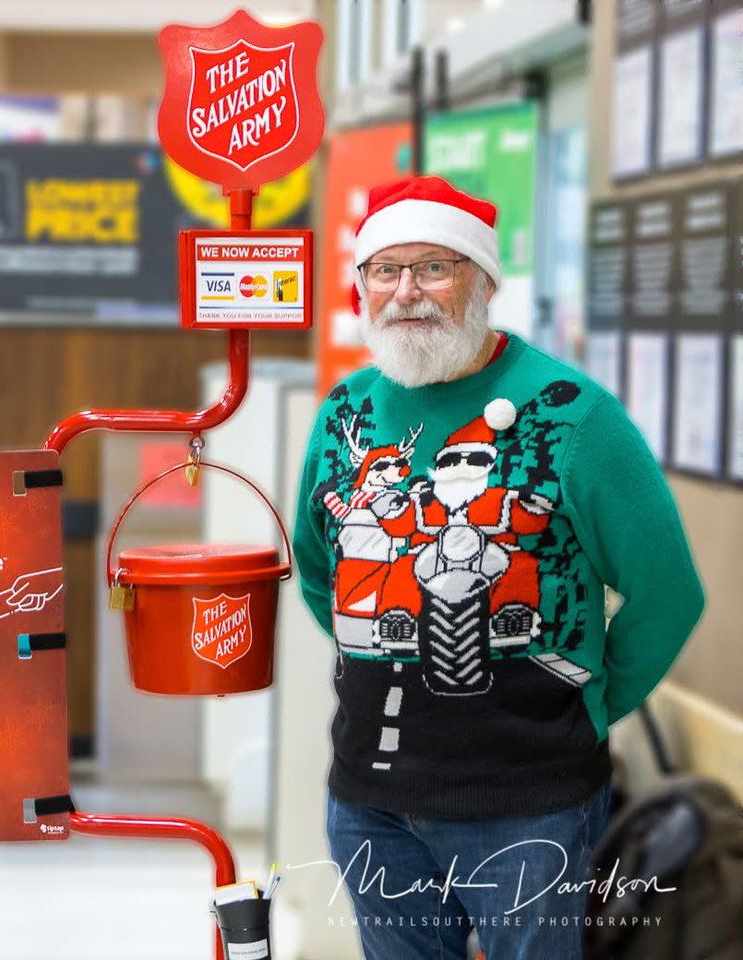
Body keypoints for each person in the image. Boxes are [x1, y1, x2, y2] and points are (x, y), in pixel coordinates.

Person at [292, 175, 704, 960]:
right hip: (370, 802)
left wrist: (590, 702)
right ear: (362, 288)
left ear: (482, 282)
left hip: (529, 805)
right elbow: (321, 571)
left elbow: (666, 592)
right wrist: (385, 649)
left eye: (433, 268)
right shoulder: (345, 413)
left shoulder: (572, 414)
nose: (406, 291)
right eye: (386, 270)